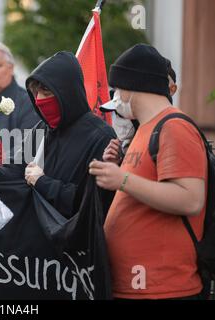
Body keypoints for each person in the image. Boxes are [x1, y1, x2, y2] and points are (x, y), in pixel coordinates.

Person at [89, 44, 208, 299]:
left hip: (164, 288)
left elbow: (191, 199)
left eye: (119, 88)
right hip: (137, 286)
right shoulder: (145, 128)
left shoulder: (174, 126)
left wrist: (123, 180)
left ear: (131, 86)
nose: (117, 95)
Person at [0, 51, 116, 218]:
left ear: (67, 92)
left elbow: (91, 203)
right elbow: (14, 170)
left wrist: (42, 182)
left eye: (47, 92)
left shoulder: (100, 136)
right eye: (35, 93)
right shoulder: (42, 128)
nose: (39, 100)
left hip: (73, 239)